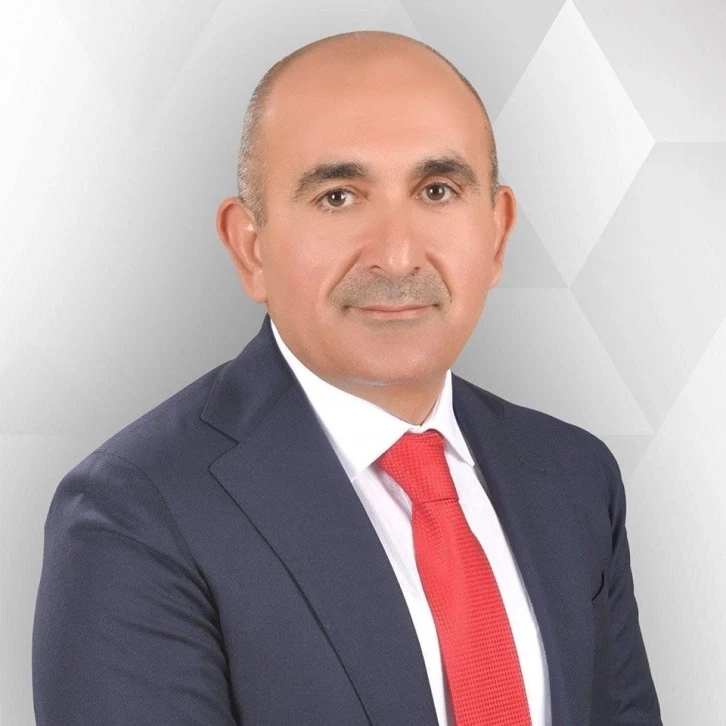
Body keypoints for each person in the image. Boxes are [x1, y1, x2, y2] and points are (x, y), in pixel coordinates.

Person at [32, 30, 662, 725]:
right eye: (337, 197)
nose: (397, 256)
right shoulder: (135, 515)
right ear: (251, 248)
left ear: (497, 232)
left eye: (437, 190)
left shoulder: (574, 477)